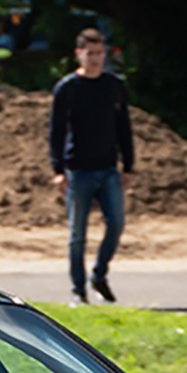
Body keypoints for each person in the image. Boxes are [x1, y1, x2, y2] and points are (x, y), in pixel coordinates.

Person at [47, 26, 134, 304]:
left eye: (99, 53)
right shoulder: (67, 89)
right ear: (79, 54)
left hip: (108, 168)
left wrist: (129, 166)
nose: (95, 58)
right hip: (78, 170)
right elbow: (56, 132)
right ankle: (78, 289)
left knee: (117, 223)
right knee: (77, 234)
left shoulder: (114, 86)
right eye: (90, 53)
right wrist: (58, 170)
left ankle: (99, 274)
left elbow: (124, 128)